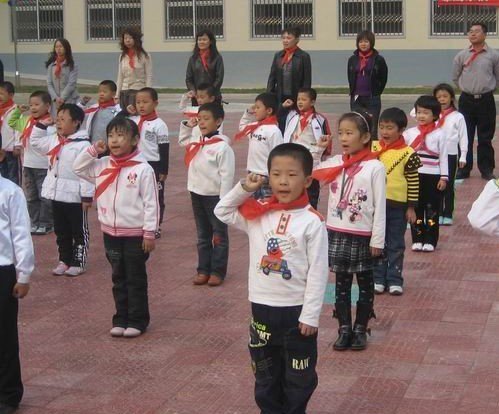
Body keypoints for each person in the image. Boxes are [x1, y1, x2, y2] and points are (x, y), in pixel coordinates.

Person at [214, 143, 329, 414]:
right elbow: (223, 211)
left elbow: (318, 271)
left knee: (298, 377)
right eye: (276, 174)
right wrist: (244, 188)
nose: (283, 181)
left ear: (307, 180)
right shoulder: (259, 214)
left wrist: (310, 316)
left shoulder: (312, 222)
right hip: (262, 308)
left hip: (296, 314)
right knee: (265, 373)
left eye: (291, 174)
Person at [73, 117, 159, 338]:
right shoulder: (103, 165)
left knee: (135, 278)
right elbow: (78, 168)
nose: (114, 140)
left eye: (121, 135)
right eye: (111, 135)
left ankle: (138, 320)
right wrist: (93, 150)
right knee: (118, 277)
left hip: (135, 234)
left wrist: (149, 233)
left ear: (135, 140)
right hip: (110, 232)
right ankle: (120, 318)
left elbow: (151, 204)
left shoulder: (143, 170)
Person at [313, 111, 385, 351]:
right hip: (337, 231)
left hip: (363, 235)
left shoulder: (374, 166)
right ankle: (343, 328)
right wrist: (318, 148)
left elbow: (380, 206)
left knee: (365, 283)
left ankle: (361, 328)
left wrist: (378, 239)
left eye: (349, 133)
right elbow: (311, 171)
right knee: (341, 284)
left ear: (365, 137)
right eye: (341, 132)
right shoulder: (336, 162)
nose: (344, 137)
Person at [31, 104, 94, 277]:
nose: (58, 123)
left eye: (63, 120)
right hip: (57, 194)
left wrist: (86, 196)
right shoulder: (54, 139)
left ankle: (78, 262)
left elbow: (87, 173)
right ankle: (64, 259)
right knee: (61, 230)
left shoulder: (83, 146)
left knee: (78, 230)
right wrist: (42, 125)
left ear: (76, 123)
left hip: (74, 196)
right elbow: (35, 143)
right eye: (57, 119)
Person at [179, 102, 234, 287]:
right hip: (197, 194)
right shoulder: (198, 141)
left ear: (218, 121)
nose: (202, 122)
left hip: (215, 197)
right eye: (200, 119)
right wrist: (188, 126)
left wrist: (224, 200)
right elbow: (182, 141)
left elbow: (227, 175)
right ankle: (203, 269)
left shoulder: (222, 147)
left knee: (218, 235)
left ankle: (217, 271)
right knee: (202, 235)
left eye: (206, 119)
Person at [372, 108, 421, 296]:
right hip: (376, 206)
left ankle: (394, 279)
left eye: (390, 128)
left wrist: (411, 207)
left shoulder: (408, 153)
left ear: (401, 130)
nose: (385, 132)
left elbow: (413, 181)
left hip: (397, 206)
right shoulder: (373, 148)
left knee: (396, 243)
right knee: (377, 242)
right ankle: (378, 278)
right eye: (382, 127)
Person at [0, 166, 34, 414]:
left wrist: (23, 274)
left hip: (3, 270)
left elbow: (21, 234)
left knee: (4, 335)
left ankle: (8, 394)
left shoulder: (10, 192)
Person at [452, 22, 499, 181]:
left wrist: (486, 88)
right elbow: (455, 77)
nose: (472, 34)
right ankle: (464, 168)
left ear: (484, 35)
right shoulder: (462, 55)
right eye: (470, 31)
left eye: (477, 31)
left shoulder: (493, 55)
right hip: (467, 100)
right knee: (465, 136)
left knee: (485, 137)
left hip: (486, 100)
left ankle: (486, 169)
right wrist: (467, 89)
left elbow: (497, 76)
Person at [403, 96, 448, 253]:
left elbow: (443, 157)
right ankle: (417, 239)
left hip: (433, 176)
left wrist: (444, 177)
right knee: (416, 208)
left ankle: (430, 240)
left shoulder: (440, 134)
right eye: (419, 112)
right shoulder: (409, 134)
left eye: (426, 113)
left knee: (431, 210)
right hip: (414, 177)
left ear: (435, 115)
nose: (421, 116)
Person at [9, 90, 54, 235]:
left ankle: (46, 223)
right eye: (31, 105)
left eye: (37, 104)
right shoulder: (27, 121)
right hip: (28, 165)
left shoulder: (50, 124)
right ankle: (34, 223)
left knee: (44, 197)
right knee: (31, 197)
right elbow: (12, 122)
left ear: (47, 106)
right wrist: (18, 111)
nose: (33, 107)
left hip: (44, 167)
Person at [282, 87, 332, 209]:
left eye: (304, 99)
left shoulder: (320, 119)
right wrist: (282, 108)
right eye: (298, 99)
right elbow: (278, 121)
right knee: (293, 194)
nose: (300, 102)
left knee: (311, 195)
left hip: (311, 162)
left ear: (312, 102)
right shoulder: (292, 116)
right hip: (293, 161)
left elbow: (327, 141)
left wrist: (321, 156)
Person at [129, 87, 169, 236]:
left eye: (145, 102)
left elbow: (164, 148)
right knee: (136, 194)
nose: (141, 105)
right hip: (136, 163)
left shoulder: (159, 124)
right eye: (138, 102)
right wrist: (126, 112)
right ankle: (139, 222)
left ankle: (156, 226)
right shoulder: (133, 120)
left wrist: (164, 170)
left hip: (153, 165)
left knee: (156, 196)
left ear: (155, 103)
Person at [236, 92, 284, 199]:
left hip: (266, 177)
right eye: (255, 107)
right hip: (251, 174)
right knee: (252, 206)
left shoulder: (274, 131)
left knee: (266, 207)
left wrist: (275, 176)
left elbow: (279, 155)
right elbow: (242, 127)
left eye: (258, 107)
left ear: (269, 111)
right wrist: (248, 113)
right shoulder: (254, 127)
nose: (255, 110)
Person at [433, 83, 468, 225]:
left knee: (448, 184)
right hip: (435, 154)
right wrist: (430, 105)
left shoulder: (457, 116)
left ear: (452, 98)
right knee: (437, 184)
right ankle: (439, 212)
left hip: (451, 155)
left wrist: (463, 155)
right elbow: (414, 111)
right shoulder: (432, 115)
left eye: (445, 96)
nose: (442, 99)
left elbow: (463, 137)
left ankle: (448, 213)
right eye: (438, 97)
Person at [267, 27, 312, 132]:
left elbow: (306, 80)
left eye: (289, 38)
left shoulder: (303, 56)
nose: (285, 40)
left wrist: (303, 99)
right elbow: (272, 78)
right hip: (280, 99)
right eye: (283, 38)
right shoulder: (278, 55)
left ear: (297, 39)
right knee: (280, 127)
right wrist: (269, 97)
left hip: (296, 98)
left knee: (295, 128)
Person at [347, 30, 388, 140]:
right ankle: (358, 153)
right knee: (357, 127)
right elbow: (350, 76)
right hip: (356, 98)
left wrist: (377, 92)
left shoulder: (378, 59)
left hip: (372, 98)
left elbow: (383, 78)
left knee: (372, 129)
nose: (363, 44)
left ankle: (372, 153)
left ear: (371, 43)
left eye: (366, 41)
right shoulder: (352, 59)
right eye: (360, 42)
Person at [116, 28, 152, 110]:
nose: (127, 41)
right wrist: (117, 95)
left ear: (136, 39)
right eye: (125, 38)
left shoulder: (145, 56)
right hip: (124, 91)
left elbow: (148, 76)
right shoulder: (122, 56)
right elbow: (120, 76)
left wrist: (148, 93)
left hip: (138, 91)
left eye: (130, 38)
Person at [185, 29, 224, 104]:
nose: (201, 42)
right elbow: (188, 79)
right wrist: (194, 92)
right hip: (197, 98)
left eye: (204, 39)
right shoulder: (193, 59)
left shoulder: (217, 58)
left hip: (212, 96)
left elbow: (219, 78)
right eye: (199, 40)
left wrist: (209, 92)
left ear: (211, 41)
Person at [46, 38, 79, 118]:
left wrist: (62, 98)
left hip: (69, 99)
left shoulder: (72, 65)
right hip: (55, 101)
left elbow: (71, 83)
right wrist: (55, 98)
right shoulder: (51, 66)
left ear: (66, 48)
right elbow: (49, 84)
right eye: (56, 47)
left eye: (61, 46)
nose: (58, 49)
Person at [80, 80, 121, 144]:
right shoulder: (94, 108)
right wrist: (82, 104)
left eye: (104, 92)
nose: (101, 94)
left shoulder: (117, 111)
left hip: (109, 145)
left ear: (113, 94)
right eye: (100, 91)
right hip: (93, 144)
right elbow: (79, 115)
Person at [0, 81, 21, 185]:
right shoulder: (0, 109)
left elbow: (18, 129)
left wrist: (17, 145)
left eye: (2, 94)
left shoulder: (16, 110)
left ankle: (14, 193)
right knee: (2, 173)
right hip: (1, 148)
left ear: (11, 95)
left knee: (12, 174)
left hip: (10, 148)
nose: (0, 96)